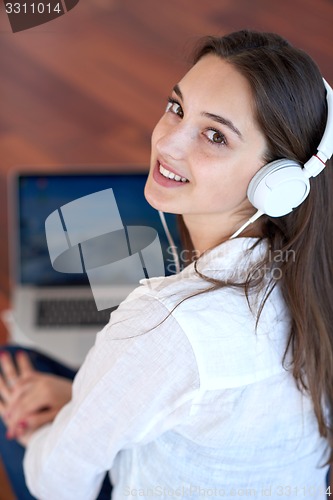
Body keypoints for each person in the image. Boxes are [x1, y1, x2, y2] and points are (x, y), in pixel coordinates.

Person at [0, 29, 333, 499]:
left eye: (215, 135)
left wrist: (38, 431)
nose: (168, 143)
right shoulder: (313, 276)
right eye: (177, 107)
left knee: (10, 368)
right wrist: (81, 404)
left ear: (276, 183)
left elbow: (58, 484)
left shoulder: (165, 323)